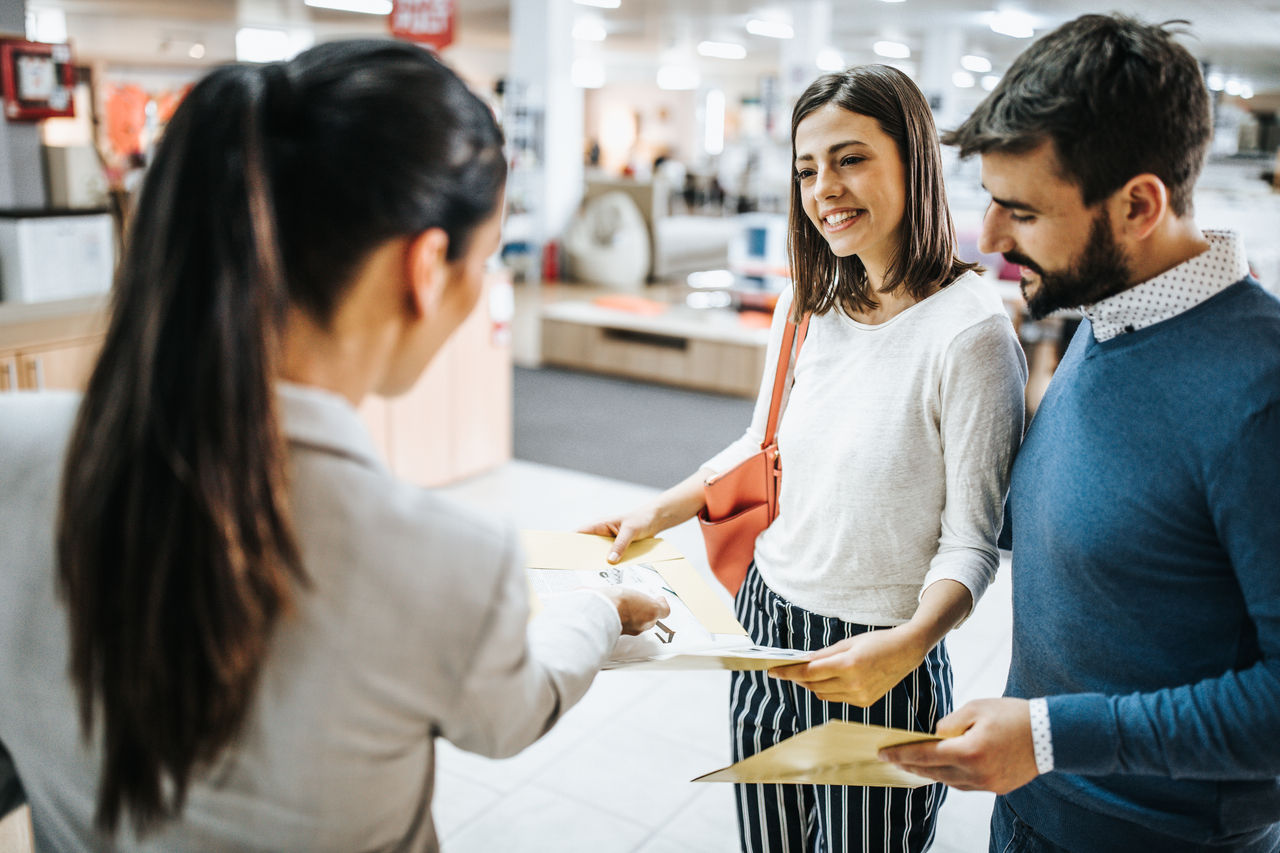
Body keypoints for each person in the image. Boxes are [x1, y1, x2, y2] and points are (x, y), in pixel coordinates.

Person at [0, 41, 667, 852]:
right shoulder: (438, 554)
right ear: (426, 266)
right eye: (483, 261)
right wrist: (599, 606)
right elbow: (510, 712)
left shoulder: (14, 449)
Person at [584, 64, 1026, 852]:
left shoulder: (972, 334)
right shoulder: (807, 300)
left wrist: (911, 643)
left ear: (913, 160)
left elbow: (972, 539)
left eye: (851, 158)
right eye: (807, 168)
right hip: (766, 628)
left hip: (881, 650)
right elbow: (764, 444)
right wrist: (664, 506)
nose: (826, 187)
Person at [880, 15, 1280, 853]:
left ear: (1138, 204)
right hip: (1028, 813)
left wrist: (1051, 735)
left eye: (1019, 211)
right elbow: (1100, 535)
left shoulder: (1258, 393)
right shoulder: (1106, 313)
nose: (988, 240)